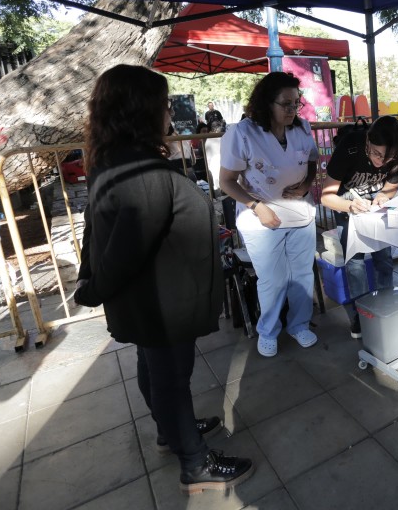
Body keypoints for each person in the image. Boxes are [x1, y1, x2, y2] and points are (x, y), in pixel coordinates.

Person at [73, 64, 253, 494]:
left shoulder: (112, 160)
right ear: (141, 111)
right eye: (165, 103)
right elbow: (123, 248)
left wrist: (91, 278)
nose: (169, 111)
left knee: (156, 369)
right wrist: (93, 287)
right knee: (171, 378)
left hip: (152, 298)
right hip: (159, 300)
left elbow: (95, 230)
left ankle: (172, 430)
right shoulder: (141, 174)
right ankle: (195, 462)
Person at [218, 72, 319, 357]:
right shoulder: (242, 133)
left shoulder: (302, 129)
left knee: (301, 275)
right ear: (266, 103)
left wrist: (307, 184)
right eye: (285, 103)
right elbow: (226, 181)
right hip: (260, 218)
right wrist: (256, 207)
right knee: (273, 279)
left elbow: (311, 161)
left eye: (296, 104)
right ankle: (268, 329)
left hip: (300, 214)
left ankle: (298, 324)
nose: (292, 110)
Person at [320, 116, 398, 338]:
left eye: (388, 157)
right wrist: (350, 206)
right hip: (346, 199)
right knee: (355, 263)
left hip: (373, 203)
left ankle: (386, 306)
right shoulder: (350, 146)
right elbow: (326, 197)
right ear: (368, 141)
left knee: (384, 258)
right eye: (377, 154)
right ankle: (362, 315)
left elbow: (391, 188)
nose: (381, 162)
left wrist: (382, 197)